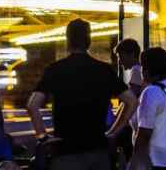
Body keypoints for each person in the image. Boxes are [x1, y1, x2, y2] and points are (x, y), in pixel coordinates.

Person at [28, 19, 138, 170]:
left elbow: (32, 105)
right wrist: (113, 133)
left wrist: (43, 136)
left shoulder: (54, 69)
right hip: (98, 152)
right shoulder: (104, 70)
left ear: (68, 41)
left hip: (64, 153)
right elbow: (131, 101)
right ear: (89, 41)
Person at [130, 47, 166, 170]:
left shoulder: (151, 92)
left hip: (157, 161)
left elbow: (144, 134)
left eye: (143, 66)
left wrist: (134, 161)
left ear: (147, 70)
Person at [114, 38, 143, 166]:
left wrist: (116, 124)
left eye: (121, 56)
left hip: (134, 126)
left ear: (131, 54)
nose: (119, 61)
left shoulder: (136, 71)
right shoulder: (138, 70)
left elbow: (130, 101)